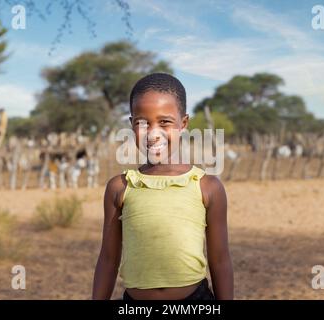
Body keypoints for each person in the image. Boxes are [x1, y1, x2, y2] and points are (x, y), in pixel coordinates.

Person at [92, 73, 233, 300]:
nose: (153, 133)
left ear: (183, 124)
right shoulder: (120, 187)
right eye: (142, 123)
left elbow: (220, 260)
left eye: (164, 122)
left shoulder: (207, 187)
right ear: (131, 125)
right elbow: (108, 260)